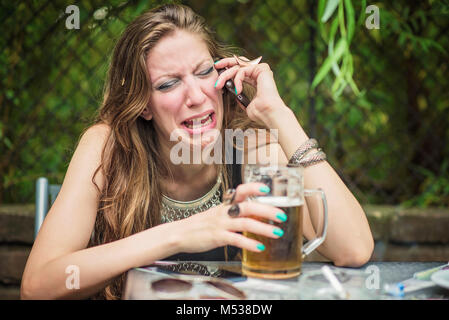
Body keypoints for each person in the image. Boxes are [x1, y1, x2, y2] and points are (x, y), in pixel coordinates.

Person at [21, 4, 374, 300]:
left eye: (204, 72)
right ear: (143, 104)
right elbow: (37, 286)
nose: (196, 96)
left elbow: (354, 249)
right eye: (169, 83)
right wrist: (183, 233)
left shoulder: (250, 149)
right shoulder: (108, 147)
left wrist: (278, 115)